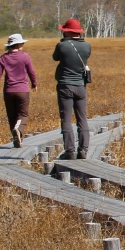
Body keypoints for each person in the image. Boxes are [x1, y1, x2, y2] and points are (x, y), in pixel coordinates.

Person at [52, 18, 91, 158]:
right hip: (80, 86)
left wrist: (64, 42)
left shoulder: (62, 46)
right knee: (82, 118)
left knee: (66, 119)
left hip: (65, 85)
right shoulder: (87, 46)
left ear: (67, 32)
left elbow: (55, 57)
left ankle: (70, 150)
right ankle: (83, 149)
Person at [0, 33, 36, 147]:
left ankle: (16, 140)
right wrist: (34, 84)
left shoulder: (3, 58)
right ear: (18, 44)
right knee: (23, 114)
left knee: (12, 116)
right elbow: (31, 72)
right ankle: (19, 130)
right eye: (22, 43)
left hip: (8, 91)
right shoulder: (25, 56)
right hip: (22, 90)